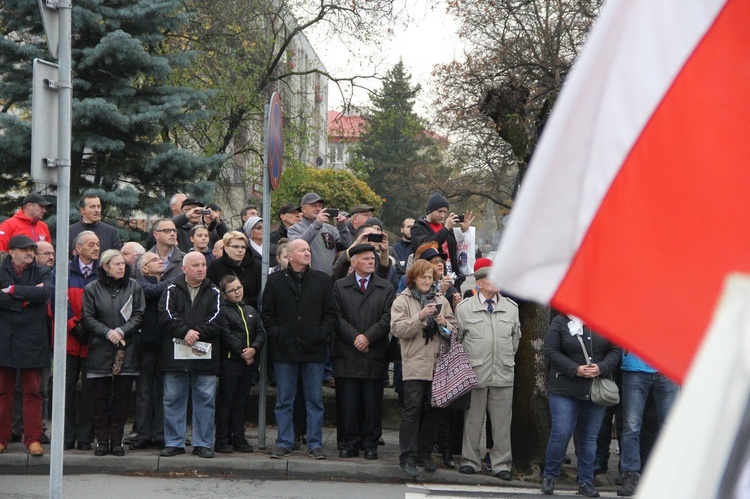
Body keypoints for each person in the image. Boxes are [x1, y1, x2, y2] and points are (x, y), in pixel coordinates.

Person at [261, 239, 337, 460]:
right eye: (302, 250)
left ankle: (314, 444)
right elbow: (267, 315)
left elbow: (331, 314)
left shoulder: (322, 280)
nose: (307, 253)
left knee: (314, 400)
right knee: (284, 399)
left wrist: (320, 334)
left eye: (308, 250)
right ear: (290, 256)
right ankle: (284, 441)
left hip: (313, 350)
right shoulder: (275, 281)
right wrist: (277, 335)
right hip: (285, 350)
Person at [541, 314, 621, 497]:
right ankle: (550, 477)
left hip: (594, 389)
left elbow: (615, 350)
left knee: (589, 438)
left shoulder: (606, 320)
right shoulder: (560, 321)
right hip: (564, 388)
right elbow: (551, 351)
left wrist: (601, 367)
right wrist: (574, 369)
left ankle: (586, 481)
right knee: (561, 433)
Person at [391, 259, 458, 477]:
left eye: (431, 277)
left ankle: (425, 453)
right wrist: (420, 317)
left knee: (435, 410)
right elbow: (398, 330)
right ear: (413, 278)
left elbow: (454, 332)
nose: (428, 281)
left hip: (438, 363)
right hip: (414, 363)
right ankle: (407, 456)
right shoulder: (403, 300)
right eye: (423, 277)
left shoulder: (441, 300)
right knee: (412, 410)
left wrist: (443, 323)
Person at [455, 263, 521, 480]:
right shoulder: (465, 308)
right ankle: (470, 461)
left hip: (502, 372)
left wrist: (504, 359)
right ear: (480, 283)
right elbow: (458, 340)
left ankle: (501, 464)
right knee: (472, 421)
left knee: (502, 423)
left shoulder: (511, 307)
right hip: (475, 372)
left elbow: (514, 340)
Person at [332, 244, 395, 460]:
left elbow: (387, 318)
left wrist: (368, 337)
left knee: (371, 404)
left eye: (372, 258)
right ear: (354, 262)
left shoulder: (385, 287)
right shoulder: (340, 287)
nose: (371, 262)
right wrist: (355, 338)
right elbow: (336, 317)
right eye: (366, 258)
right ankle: (349, 443)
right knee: (348, 403)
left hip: (373, 353)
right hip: (347, 353)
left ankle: (370, 444)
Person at [158, 252, 222, 459]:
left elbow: (217, 318)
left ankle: (202, 443)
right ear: (184, 269)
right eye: (196, 265)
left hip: (206, 356)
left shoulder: (214, 291)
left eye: (203, 264)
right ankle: (174, 442)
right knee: (173, 399)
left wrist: (197, 333)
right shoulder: (171, 289)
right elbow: (166, 314)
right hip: (176, 355)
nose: (201, 268)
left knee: (205, 399)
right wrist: (184, 331)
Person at [81, 249, 145, 457]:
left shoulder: (134, 287)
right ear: (105, 267)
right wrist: (108, 332)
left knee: (121, 398)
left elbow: (138, 314)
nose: (121, 267)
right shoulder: (92, 288)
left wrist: (121, 331)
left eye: (123, 264)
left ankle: (117, 440)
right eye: (116, 264)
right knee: (100, 398)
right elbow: (88, 317)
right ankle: (101, 441)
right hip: (100, 349)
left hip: (127, 348)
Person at [0, 235, 53, 456]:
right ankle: (2, 439)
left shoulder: (42, 270)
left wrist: (12, 292)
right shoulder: (1, 269)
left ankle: (32, 439)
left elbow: (44, 293)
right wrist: (27, 300)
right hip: (5, 338)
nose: (30, 253)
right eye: (25, 250)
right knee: (3, 391)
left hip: (33, 339)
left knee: (33, 391)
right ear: (12, 252)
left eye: (32, 249)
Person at [56, 231, 100, 451]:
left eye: (98, 244)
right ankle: (66, 434)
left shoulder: (102, 273)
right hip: (68, 341)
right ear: (78, 248)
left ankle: (85, 437)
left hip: (93, 341)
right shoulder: (63, 271)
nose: (96, 247)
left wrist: (89, 327)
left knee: (91, 392)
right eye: (91, 244)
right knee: (66, 390)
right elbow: (56, 302)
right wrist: (74, 324)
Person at [214, 275, 265, 454]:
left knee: (241, 401)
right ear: (224, 294)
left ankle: (239, 437)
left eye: (239, 287)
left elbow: (260, 331)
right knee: (226, 400)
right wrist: (244, 352)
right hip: (231, 361)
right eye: (232, 290)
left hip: (248, 362)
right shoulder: (222, 311)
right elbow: (226, 335)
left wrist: (254, 349)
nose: (237, 292)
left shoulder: (250, 309)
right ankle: (222, 438)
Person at [616, 353, 679, 496]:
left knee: (670, 428)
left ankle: (668, 474)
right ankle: (630, 475)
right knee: (631, 427)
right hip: (636, 367)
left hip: (668, 367)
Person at [130, 252, 173, 450]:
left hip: (164, 346)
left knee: (164, 392)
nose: (161, 261)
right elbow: (152, 291)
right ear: (144, 268)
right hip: (145, 346)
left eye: (160, 259)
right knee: (144, 392)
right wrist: (179, 277)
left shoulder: (167, 284)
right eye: (155, 260)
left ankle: (160, 433)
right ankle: (144, 433)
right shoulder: (138, 283)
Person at [410, 193, 468, 291]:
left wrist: (464, 231)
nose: (442, 215)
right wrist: (446, 228)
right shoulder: (418, 227)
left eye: (445, 212)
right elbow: (426, 247)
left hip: (451, 279)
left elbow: (457, 252)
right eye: (440, 211)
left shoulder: (448, 229)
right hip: (430, 280)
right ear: (430, 210)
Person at [287, 192, 351, 273]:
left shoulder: (330, 228)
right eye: (314, 206)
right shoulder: (294, 229)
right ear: (303, 209)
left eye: (320, 206)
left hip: (331, 278)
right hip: (309, 278)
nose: (318, 209)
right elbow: (299, 247)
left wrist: (342, 226)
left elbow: (346, 245)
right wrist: (317, 224)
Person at [206, 231, 261, 309]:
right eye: (235, 247)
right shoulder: (215, 266)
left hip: (250, 312)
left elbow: (260, 295)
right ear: (226, 248)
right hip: (223, 311)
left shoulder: (257, 267)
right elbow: (211, 293)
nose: (240, 250)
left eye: (243, 247)